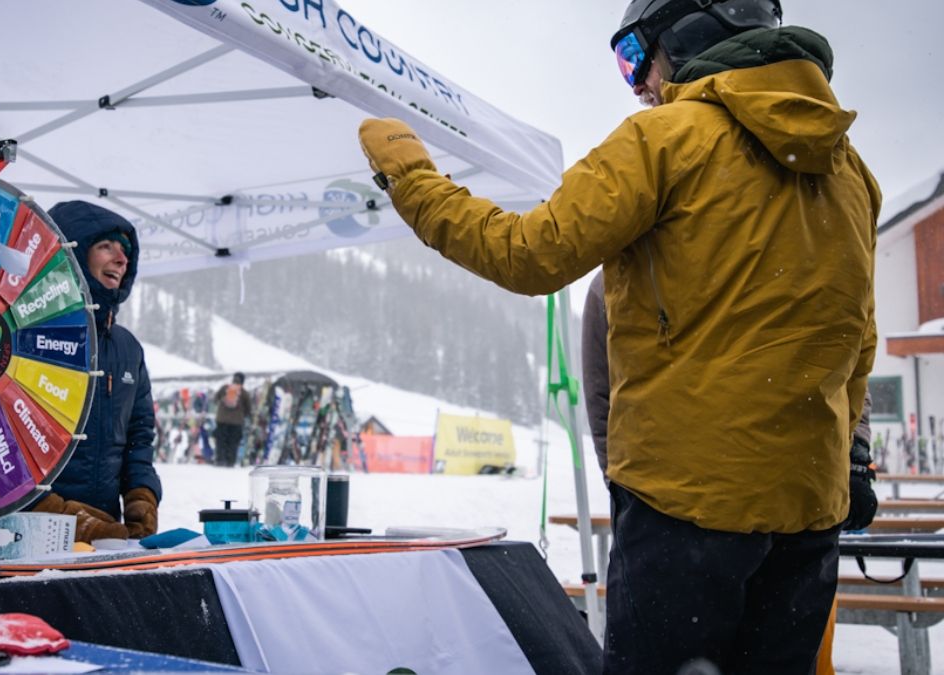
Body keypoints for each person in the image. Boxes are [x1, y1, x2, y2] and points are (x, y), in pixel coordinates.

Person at [356, 0, 879, 670]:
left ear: (688, 35)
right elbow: (858, 338)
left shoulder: (665, 138)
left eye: (635, 55)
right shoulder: (851, 172)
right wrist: (849, 462)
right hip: (808, 519)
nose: (636, 82)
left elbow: (529, 253)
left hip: (686, 510)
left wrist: (413, 180)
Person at [582, 270, 878, 673]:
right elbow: (604, 399)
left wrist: (855, 453)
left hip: (788, 517)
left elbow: (846, 353)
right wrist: (624, 486)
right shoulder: (624, 274)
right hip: (681, 518)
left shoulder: (791, 244)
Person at [31, 201, 161, 544]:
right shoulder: (26, 335)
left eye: (125, 252)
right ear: (71, 252)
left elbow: (139, 434)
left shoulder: (127, 348)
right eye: (106, 247)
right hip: (30, 533)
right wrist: (53, 513)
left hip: (107, 536)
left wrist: (142, 496)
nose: (121, 259)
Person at [213, 372, 252, 467]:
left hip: (221, 420)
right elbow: (248, 408)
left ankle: (220, 460)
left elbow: (215, 399)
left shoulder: (225, 388)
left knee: (221, 441)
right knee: (233, 442)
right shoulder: (244, 393)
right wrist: (243, 415)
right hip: (237, 422)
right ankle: (230, 461)